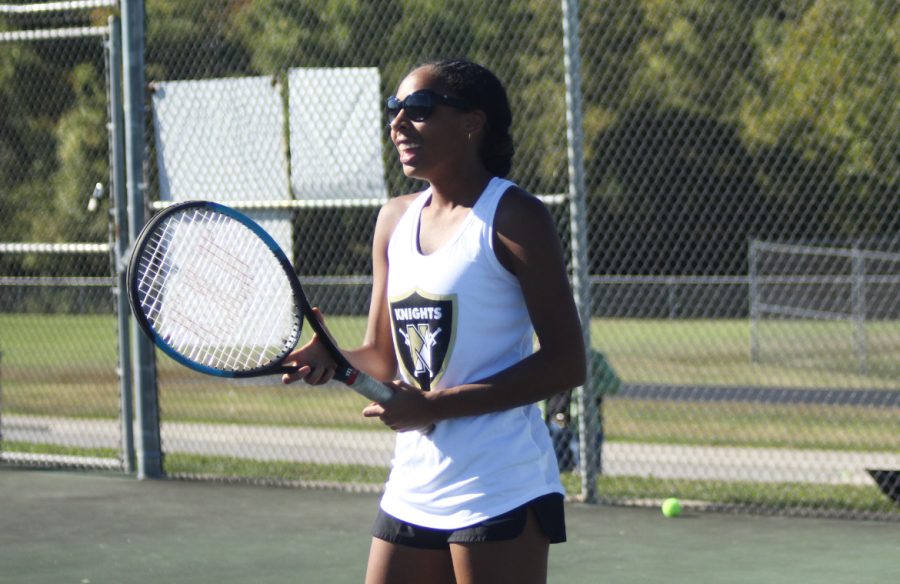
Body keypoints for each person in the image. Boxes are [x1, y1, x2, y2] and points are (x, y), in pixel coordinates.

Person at [283, 59, 585, 584]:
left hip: (499, 483)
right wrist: (331, 356)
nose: (397, 123)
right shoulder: (394, 219)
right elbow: (380, 355)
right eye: (393, 110)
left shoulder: (515, 216)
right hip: (413, 484)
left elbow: (566, 363)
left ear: (473, 122)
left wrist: (433, 406)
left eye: (417, 110)